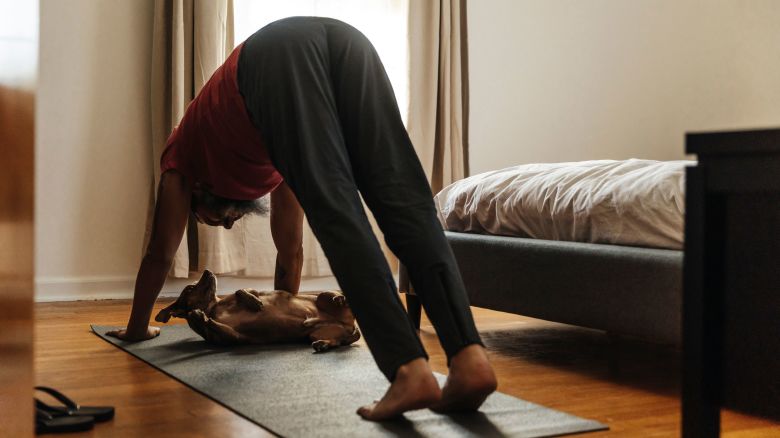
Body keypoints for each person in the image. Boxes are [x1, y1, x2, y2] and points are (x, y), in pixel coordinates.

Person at [107, 16, 496, 420]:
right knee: (405, 198)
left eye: (205, 219)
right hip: (348, 42)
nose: (223, 224)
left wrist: (137, 329)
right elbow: (289, 253)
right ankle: (470, 360)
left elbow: (159, 252)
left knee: (337, 211)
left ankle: (407, 369)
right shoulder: (268, 154)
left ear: (197, 193)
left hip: (270, 59)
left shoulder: (181, 152)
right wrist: (284, 321)